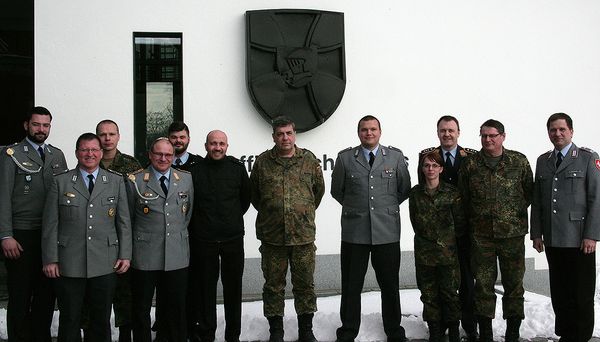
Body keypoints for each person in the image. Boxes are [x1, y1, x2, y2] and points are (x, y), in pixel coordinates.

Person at [42, 132, 131, 342]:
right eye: (84, 149)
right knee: (70, 318)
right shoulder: (61, 182)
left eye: (94, 150)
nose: (89, 154)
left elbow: (124, 222)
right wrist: (50, 259)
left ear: (101, 153)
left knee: (100, 320)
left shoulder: (116, 181)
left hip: (105, 261)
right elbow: (50, 224)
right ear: (76, 153)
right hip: (69, 263)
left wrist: (125, 255)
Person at [331, 115, 411, 342]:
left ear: (380, 132)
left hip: (386, 232)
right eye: (364, 129)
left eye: (373, 129)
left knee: (390, 285)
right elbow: (338, 191)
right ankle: (348, 331)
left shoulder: (395, 157)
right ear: (359, 133)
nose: (369, 133)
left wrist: (382, 210)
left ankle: (394, 330)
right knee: (351, 285)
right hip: (355, 233)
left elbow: (404, 189)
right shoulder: (346, 158)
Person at [250, 116, 325, 342]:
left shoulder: (309, 160)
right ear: (274, 136)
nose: (285, 138)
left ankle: (306, 330)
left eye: (289, 133)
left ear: (295, 134)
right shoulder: (262, 162)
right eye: (280, 134)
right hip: (273, 239)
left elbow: (317, 193)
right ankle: (276, 332)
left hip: (302, 238)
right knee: (273, 287)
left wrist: (301, 213)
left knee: (304, 286)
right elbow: (255, 196)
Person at [458, 119, 533, 342]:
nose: (488, 140)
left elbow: (528, 193)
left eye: (492, 135)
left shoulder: (518, 161)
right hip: (481, 238)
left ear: (503, 136)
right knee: (482, 286)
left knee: (514, 286)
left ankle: (512, 333)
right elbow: (464, 198)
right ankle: (486, 335)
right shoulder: (470, 164)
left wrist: (509, 215)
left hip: (512, 236)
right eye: (484, 136)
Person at [0, 106, 68, 342]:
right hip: (21, 235)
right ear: (26, 125)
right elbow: (3, 197)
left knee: (46, 293)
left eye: (46, 125)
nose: (41, 129)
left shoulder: (57, 155)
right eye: (37, 124)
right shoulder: (11, 154)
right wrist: (5, 235)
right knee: (20, 293)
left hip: (49, 235)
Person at [530, 113, 600, 342]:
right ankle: (566, 333)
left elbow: (596, 198)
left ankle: (580, 336)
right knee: (559, 290)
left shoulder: (587, 158)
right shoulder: (544, 160)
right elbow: (538, 200)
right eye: (553, 130)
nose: (557, 134)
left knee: (580, 292)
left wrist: (591, 235)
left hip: (579, 239)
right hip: (552, 238)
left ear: (571, 131)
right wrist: (537, 233)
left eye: (562, 129)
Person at [418, 115, 477, 341]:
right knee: (440, 280)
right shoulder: (427, 156)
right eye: (443, 130)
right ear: (438, 133)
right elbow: (425, 193)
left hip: (464, 231)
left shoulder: (470, 157)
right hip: (438, 235)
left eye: (451, 130)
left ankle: (469, 324)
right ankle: (442, 324)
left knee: (466, 280)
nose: (447, 134)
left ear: (458, 132)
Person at [128, 137, 194, 342]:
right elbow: (128, 218)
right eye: (159, 154)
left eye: (168, 154)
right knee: (141, 309)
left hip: (176, 254)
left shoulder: (185, 179)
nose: (163, 158)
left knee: (176, 309)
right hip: (145, 255)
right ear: (150, 155)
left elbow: (187, 214)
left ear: (174, 156)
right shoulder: (135, 180)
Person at [189, 130, 251, 342]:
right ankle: (207, 334)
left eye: (221, 144)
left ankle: (233, 335)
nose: (217, 147)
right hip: (204, 241)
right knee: (205, 291)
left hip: (232, 239)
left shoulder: (237, 168)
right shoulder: (194, 171)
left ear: (227, 146)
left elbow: (245, 200)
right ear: (206, 146)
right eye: (213, 144)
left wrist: (229, 219)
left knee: (233, 290)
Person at [409, 151, 465, 342]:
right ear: (422, 169)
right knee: (429, 295)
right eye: (426, 165)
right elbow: (414, 221)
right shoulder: (415, 193)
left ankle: (454, 332)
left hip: (447, 255)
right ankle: (435, 332)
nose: (430, 169)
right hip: (425, 255)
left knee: (450, 295)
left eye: (434, 165)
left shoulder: (452, 193)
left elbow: (460, 224)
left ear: (441, 168)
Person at [95, 119, 142, 342]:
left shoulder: (131, 165)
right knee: (96, 299)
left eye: (111, 134)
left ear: (118, 136)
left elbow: (142, 201)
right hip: (96, 241)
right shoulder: (89, 162)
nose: (107, 139)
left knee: (125, 298)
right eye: (103, 134)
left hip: (125, 239)